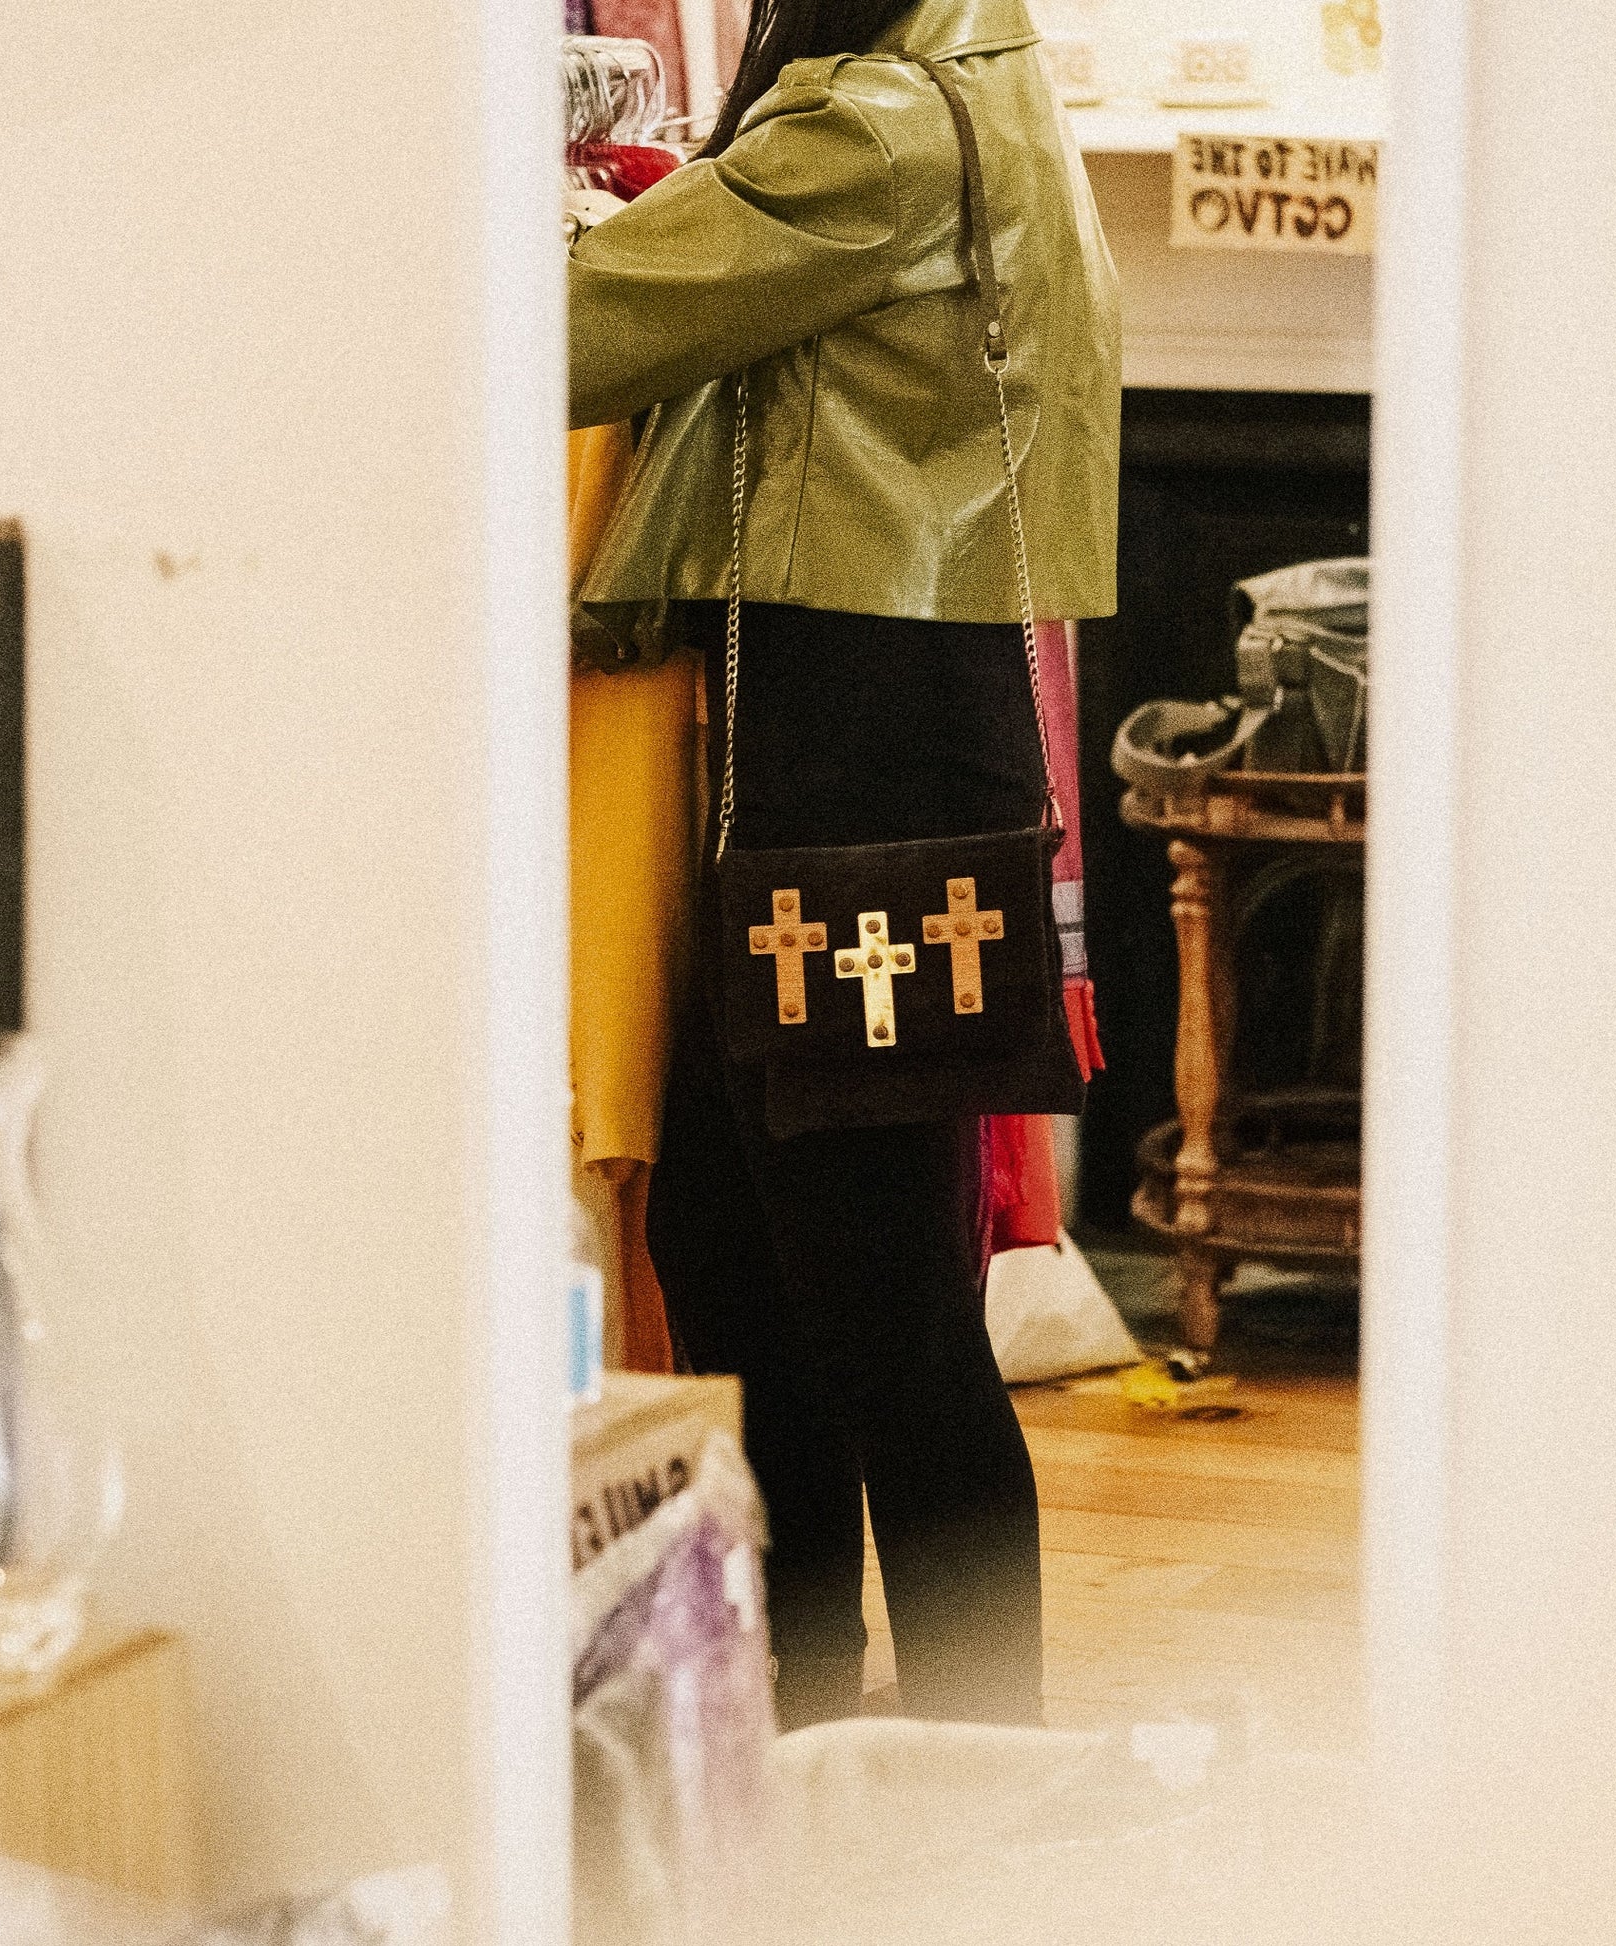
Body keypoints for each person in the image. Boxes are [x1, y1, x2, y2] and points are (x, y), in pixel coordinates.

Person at [567, 0, 1120, 1729]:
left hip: (856, 773)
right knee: (753, 1266)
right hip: (873, 752)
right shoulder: (965, 75)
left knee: (880, 1320)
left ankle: (970, 1765)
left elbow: (564, 331)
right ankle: (798, 1723)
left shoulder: (870, 132)